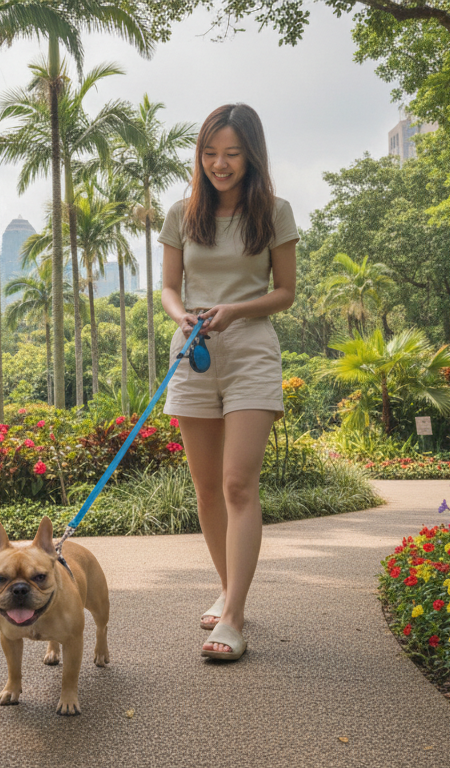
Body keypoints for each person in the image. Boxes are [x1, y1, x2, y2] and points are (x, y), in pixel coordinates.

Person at [158, 103, 299, 661]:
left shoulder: (275, 212)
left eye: (232, 154)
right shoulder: (182, 213)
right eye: (211, 154)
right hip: (192, 349)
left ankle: (235, 617)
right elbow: (170, 287)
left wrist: (234, 311)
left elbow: (285, 292)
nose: (220, 164)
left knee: (239, 484)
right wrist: (182, 316)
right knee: (207, 487)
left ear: (251, 156)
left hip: (250, 350)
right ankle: (227, 588)